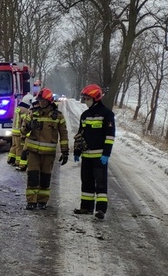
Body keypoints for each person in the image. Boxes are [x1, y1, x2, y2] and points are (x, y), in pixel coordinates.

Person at [20, 87, 69, 210]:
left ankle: (42, 201)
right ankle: (31, 201)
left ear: (50, 101)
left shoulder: (58, 116)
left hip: (48, 154)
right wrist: (28, 127)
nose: (41, 103)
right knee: (32, 177)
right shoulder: (32, 113)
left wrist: (65, 151)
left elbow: (63, 134)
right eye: (40, 101)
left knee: (45, 178)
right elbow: (23, 131)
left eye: (44, 101)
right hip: (33, 153)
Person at [73, 84, 115, 220]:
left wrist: (106, 154)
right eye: (84, 98)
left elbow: (110, 136)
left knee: (101, 183)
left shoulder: (107, 114)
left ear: (96, 98)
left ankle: (101, 210)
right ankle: (86, 207)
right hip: (86, 156)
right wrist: (77, 151)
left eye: (87, 98)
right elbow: (80, 134)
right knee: (86, 182)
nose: (85, 101)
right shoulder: (85, 115)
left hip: (99, 156)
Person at [8, 91, 33, 170]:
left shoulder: (18, 108)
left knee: (14, 146)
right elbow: (24, 122)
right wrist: (24, 133)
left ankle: (10, 159)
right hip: (20, 132)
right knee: (20, 147)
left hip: (14, 131)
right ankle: (18, 162)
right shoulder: (25, 110)